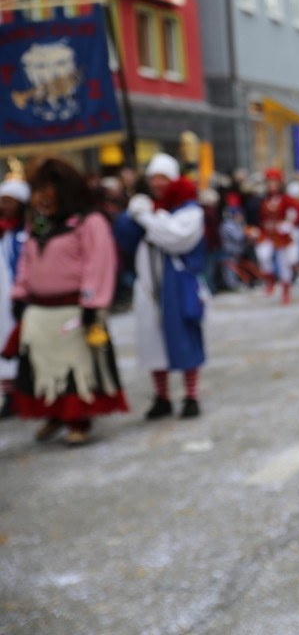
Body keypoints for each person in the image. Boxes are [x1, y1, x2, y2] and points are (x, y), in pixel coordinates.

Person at [10, 159, 126, 445]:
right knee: (43, 368)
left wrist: (92, 303)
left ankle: (78, 420)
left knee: (77, 370)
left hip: (73, 310)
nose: (41, 197)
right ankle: (54, 414)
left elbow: (98, 263)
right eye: (38, 190)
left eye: (48, 189)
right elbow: (28, 258)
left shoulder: (90, 221)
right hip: (40, 310)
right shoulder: (39, 222)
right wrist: (19, 293)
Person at [114, 153, 207, 420]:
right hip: (148, 286)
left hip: (178, 285)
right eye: (154, 177)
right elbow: (126, 238)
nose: (158, 183)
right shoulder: (148, 207)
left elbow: (174, 237)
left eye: (163, 177)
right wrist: (129, 216)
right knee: (152, 343)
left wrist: (145, 217)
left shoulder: (190, 211)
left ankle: (191, 396)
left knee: (185, 339)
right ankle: (162, 397)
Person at [255, 168, 299, 305]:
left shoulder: (286, 199)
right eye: (269, 182)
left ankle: (286, 290)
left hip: (282, 235)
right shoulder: (262, 200)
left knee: (285, 263)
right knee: (262, 254)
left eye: (274, 182)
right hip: (267, 233)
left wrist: (289, 224)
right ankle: (270, 280)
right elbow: (259, 218)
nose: (272, 185)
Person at [0, 179, 28, 418]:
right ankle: (10, 395)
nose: (5, 206)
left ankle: (27, 394)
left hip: (25, 296)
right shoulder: (3, 230)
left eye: (9, 201)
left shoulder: (29, 228)